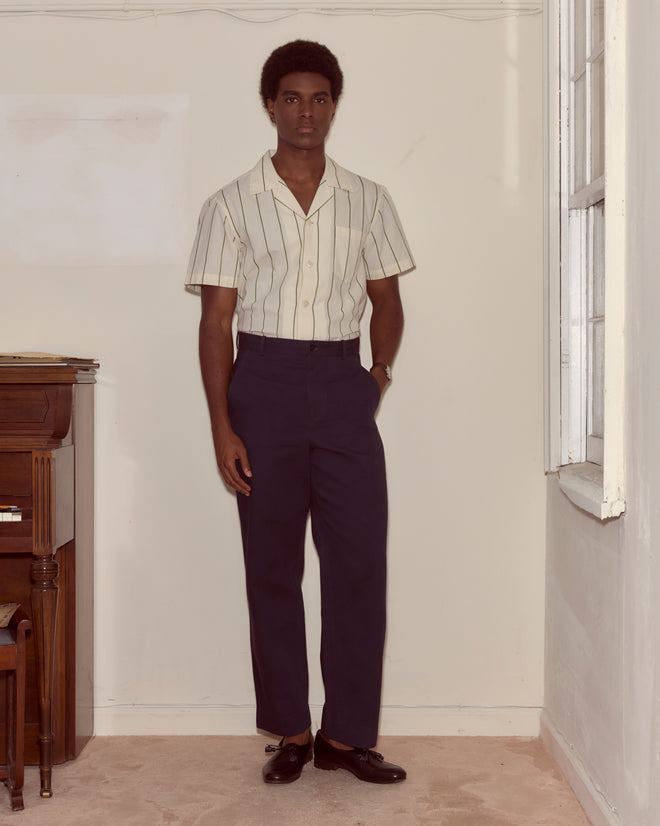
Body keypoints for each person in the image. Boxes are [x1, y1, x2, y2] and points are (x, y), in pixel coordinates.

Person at [186, 39, 415, 785]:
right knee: (273, 568)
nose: (305, 111)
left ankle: (346, 738)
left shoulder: (369, 198)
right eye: (291, 98)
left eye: (319, 98)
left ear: (334, 105)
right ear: (270, 105)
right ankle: (290, 728)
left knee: (357, 564)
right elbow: (216, 322)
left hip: (342, 382)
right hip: (265, 384)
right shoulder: (231, 203)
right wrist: (224, 424)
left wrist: (374, 377)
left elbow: (387, 301)